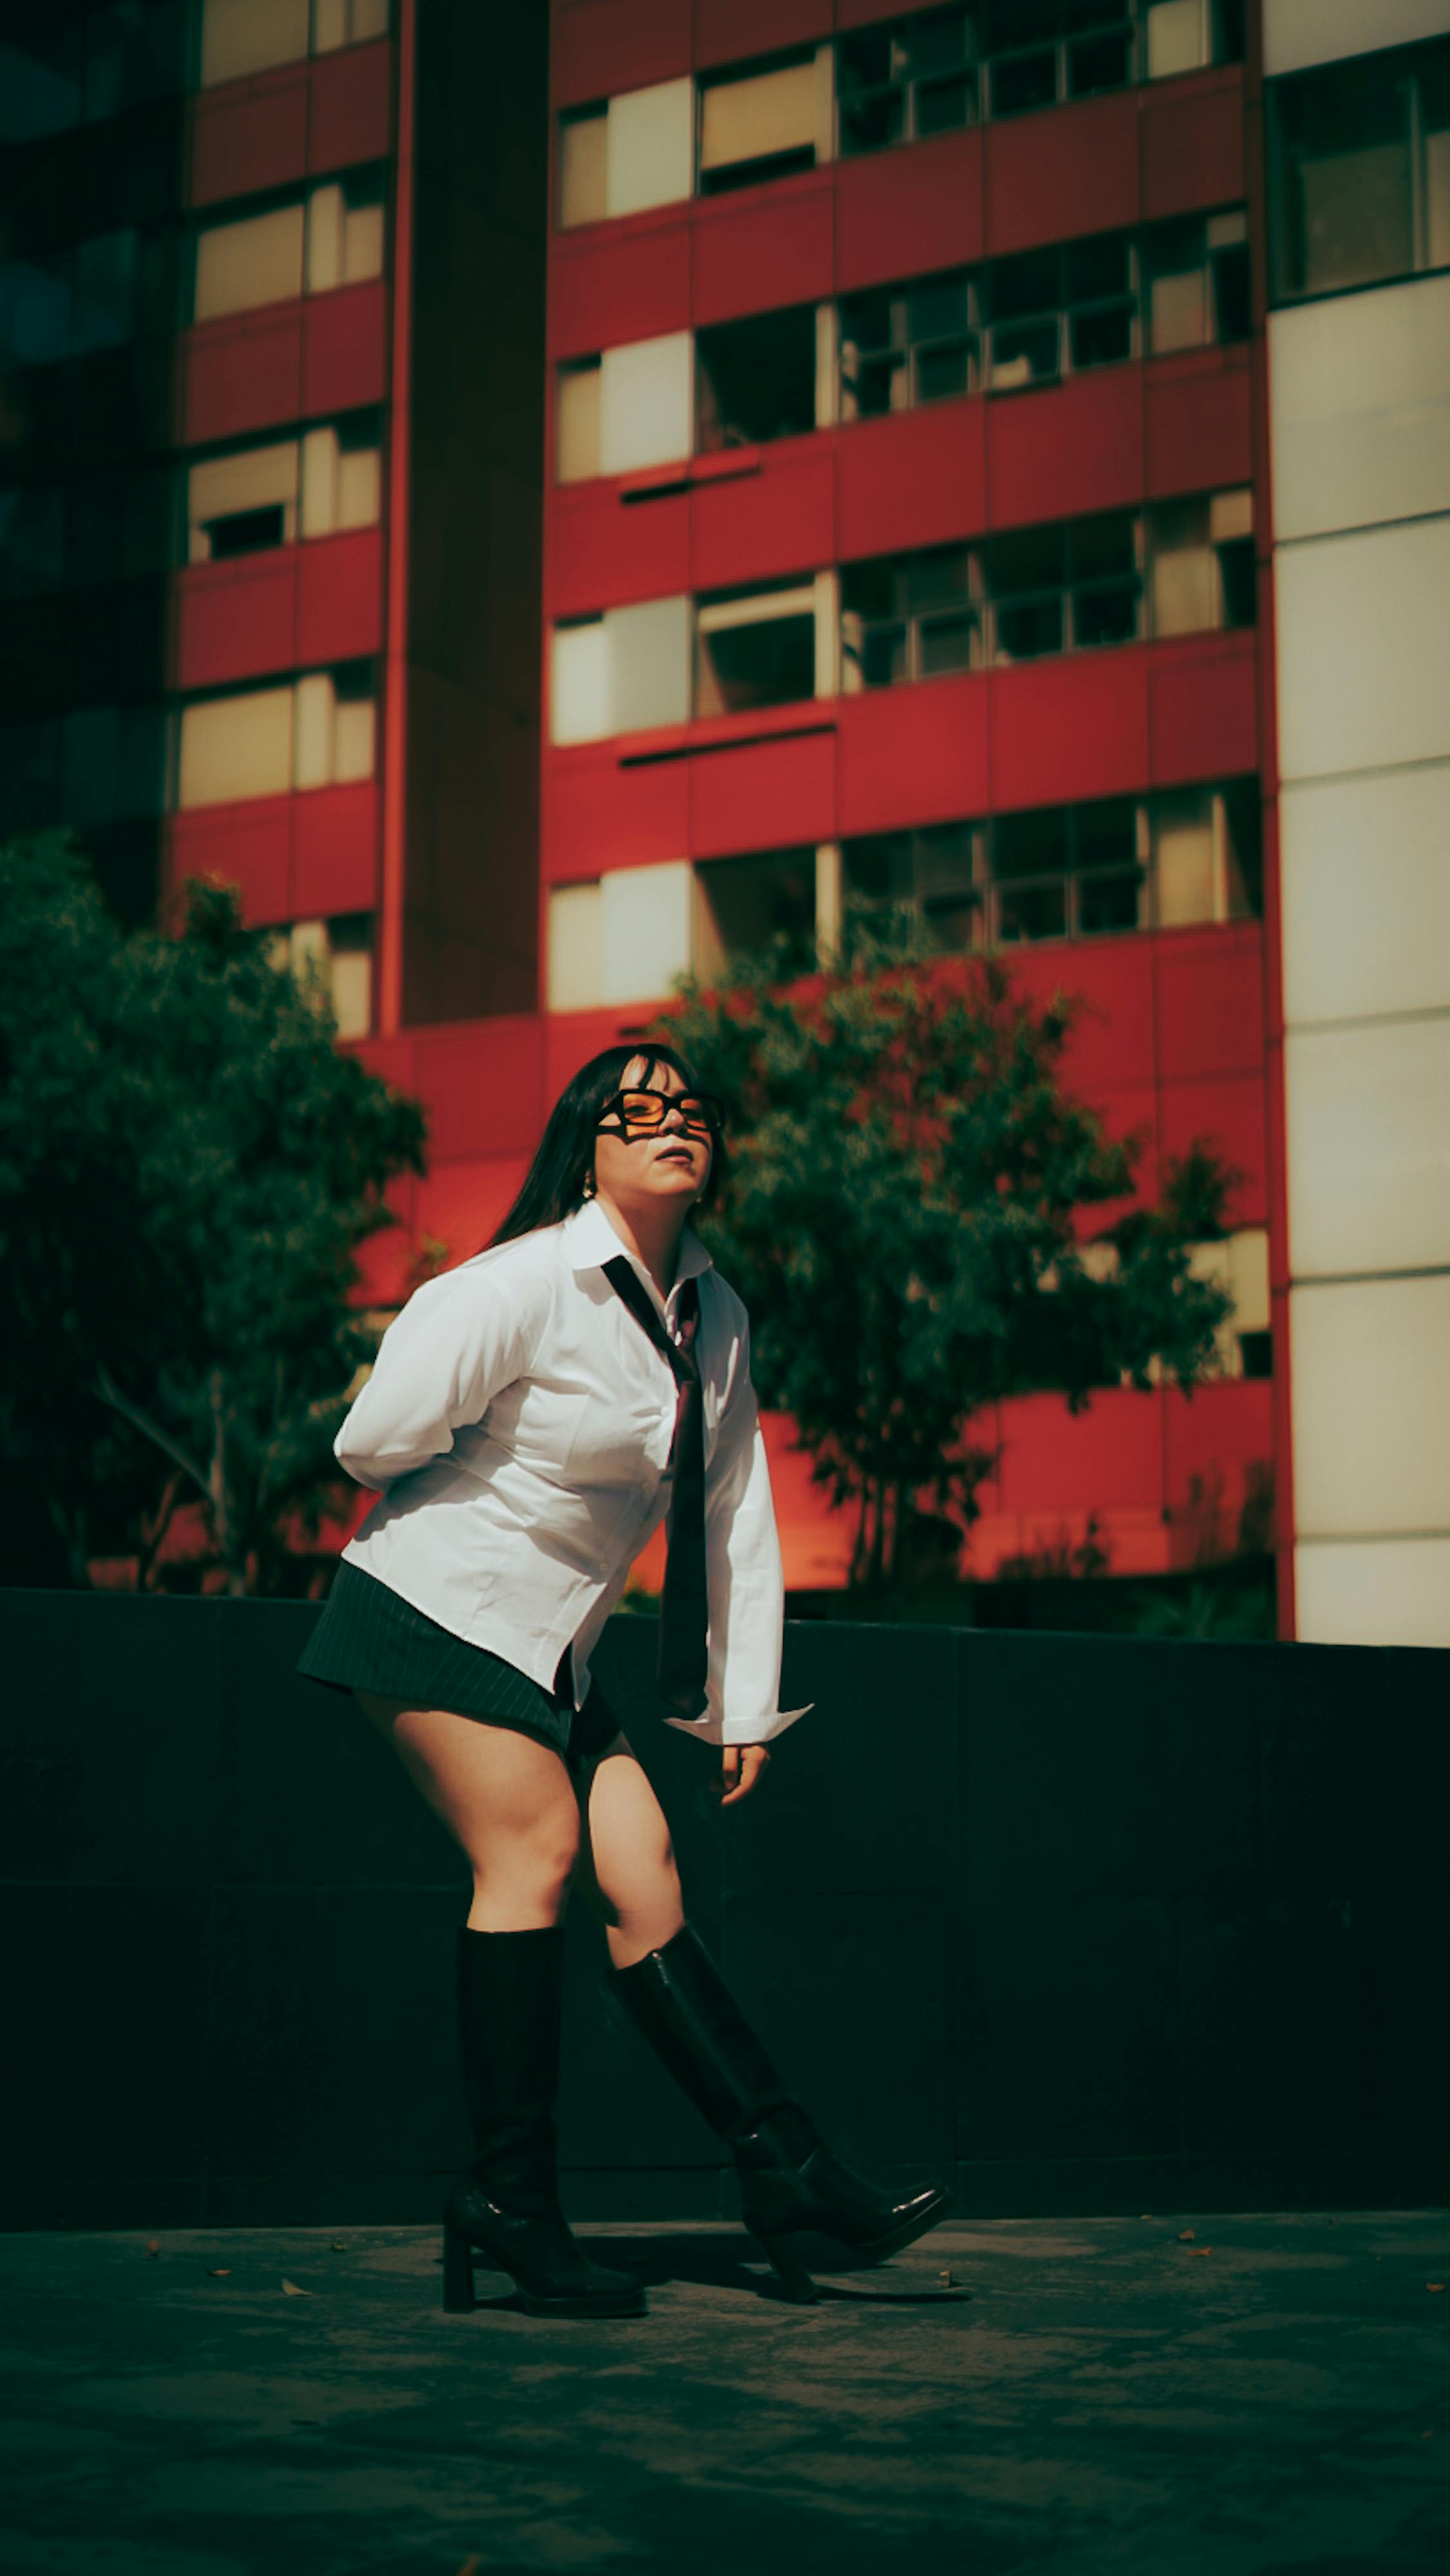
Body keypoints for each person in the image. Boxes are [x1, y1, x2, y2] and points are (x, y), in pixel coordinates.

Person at [298, 1043, 948, 2318]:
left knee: (643, 1871)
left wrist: (743, 1695)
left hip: (555, 1651)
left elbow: (735, 1508)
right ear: (586, 1142)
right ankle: (509, 2201)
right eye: (636, 1105)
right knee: (530, 1850)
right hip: (434, 1609)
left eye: (692, 1106)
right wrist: (457, 1442)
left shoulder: (713, 1314)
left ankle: (786, 2166)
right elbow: (368, 1441)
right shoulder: (522, 1283)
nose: (672, 1122)